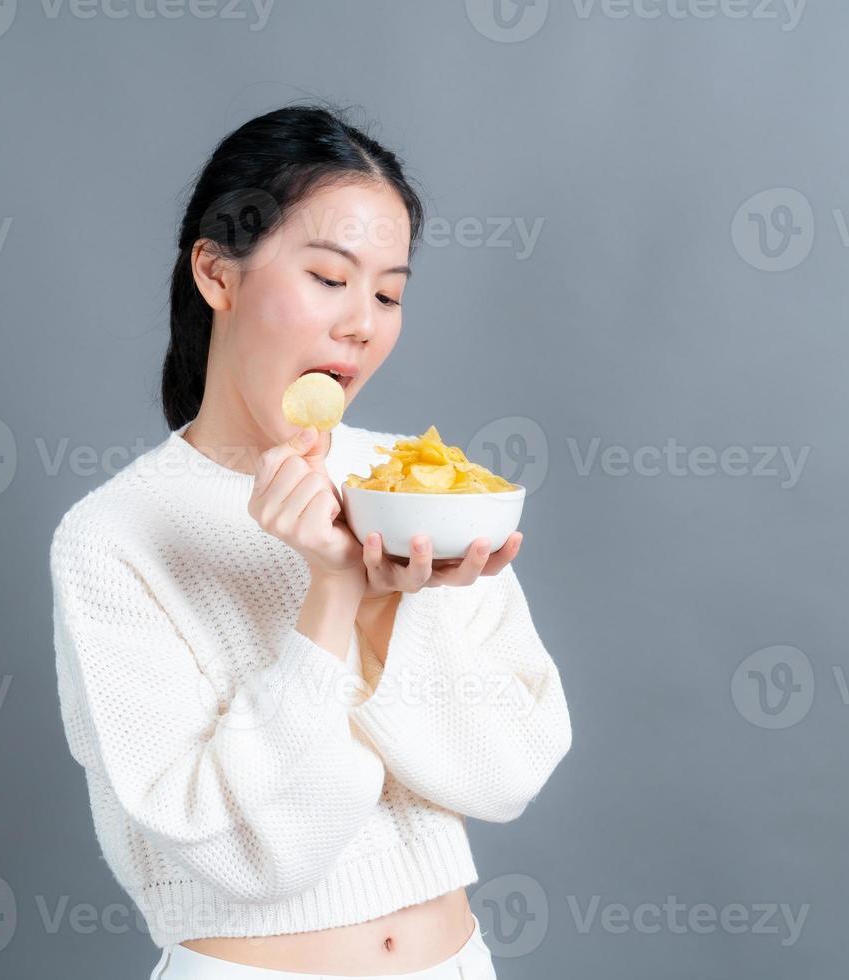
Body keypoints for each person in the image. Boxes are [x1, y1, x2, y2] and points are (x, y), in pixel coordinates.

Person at [49, 102, 572, 978]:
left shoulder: (419, 490)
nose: (363, 322)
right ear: (218, 275)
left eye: (389, 292)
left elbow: (508, 770)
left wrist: (386, 620)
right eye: (330, 278)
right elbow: (254, 855)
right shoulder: (114, 538)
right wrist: (332, 600)